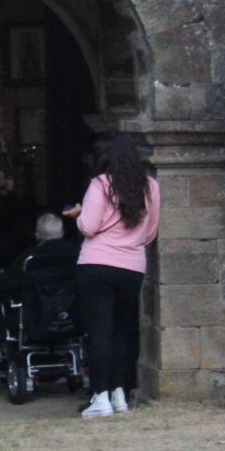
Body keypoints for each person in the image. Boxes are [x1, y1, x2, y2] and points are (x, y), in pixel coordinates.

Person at [63, 133, 160, 418]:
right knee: (124, 331)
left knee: (100, 331)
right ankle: (120, 393)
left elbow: (89, 227)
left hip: (96, 264)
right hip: (132, 266)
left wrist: (78, 216)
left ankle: (100, 396)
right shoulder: (150, 186)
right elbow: (151, 231)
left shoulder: (100, 185)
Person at [0, 212, 78, 297]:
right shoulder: (77, 252)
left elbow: (10, 282)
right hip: (73, 304)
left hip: (38, 308)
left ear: (37, 235)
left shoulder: (30, 257)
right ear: (62, 233)